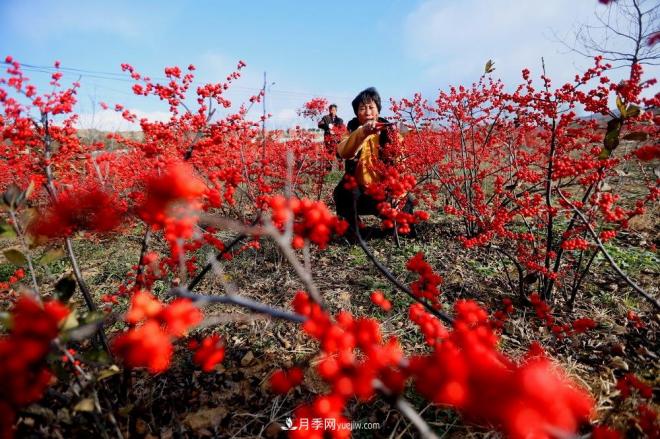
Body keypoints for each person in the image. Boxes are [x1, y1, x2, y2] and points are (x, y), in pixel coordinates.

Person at [333, 87, 414, 240]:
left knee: (407, 199)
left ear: (378, 111)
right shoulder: (351, 130)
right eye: (362, 108)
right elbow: (344, 152)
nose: (368, 112)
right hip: (359, 191)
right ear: (357, 113)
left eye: (371, 107)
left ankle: (400, 231)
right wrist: (362, 132)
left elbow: (401, 163)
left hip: (385, 191)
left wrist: (399, 192)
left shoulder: (391, 133)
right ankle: (354, 233)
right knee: (342, 193)